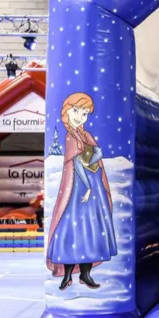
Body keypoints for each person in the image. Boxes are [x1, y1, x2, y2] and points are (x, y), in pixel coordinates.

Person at [46, 92, 117, 291]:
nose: (80, 117)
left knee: (91, 231)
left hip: (93, 188)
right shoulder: (71, 137)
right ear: (67, 112)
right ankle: (67, 275)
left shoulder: (86, 135)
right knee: (73, 230)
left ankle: (85, 275)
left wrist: (91, 162)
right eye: (76, 111)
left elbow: (98, 153)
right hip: (78, 190)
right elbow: (76, 165)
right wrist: (87, 186)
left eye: (84, 113)